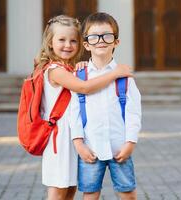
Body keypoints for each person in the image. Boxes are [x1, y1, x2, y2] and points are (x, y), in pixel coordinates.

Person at [35, 15, 132, 200]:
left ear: (81, 44)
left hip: (76, 134)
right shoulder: (54, 70)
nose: (68, 45)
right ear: (50, 42)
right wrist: (115, 73)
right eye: (61, 40)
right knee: (58, 188)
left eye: (73, 40)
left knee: (71, 187)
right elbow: (84, 87)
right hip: (60, 137)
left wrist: (81, 67)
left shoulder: (71, 68)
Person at [70, 12, 142, 200]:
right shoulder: (80, 76)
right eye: (94, 37)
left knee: (128, 192)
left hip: (119, 146)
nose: (101, 40)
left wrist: (130, 143)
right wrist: (79, 144)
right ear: (86, 44)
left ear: (116, 42)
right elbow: (73, 113)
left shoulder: (125, 77)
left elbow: (134, 113)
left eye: (107, 36)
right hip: (91, 146)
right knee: (91, 193)